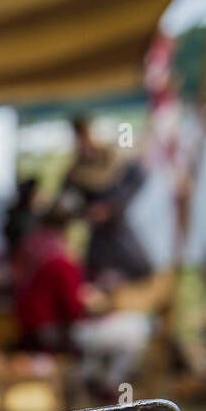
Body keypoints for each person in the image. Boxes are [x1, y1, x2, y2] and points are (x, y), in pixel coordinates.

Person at [12, 207, 152, 399]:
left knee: (124, 328)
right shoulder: (59, 259)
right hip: (56, 333)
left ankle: (95, 378)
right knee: (137, 329)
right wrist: (97, 305)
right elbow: (74, 310)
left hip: (38, 330)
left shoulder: (32, 250)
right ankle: (108, 384)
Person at [56, 113, 152, 289]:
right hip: (99, 235)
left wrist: (113, 205)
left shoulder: (115, 157)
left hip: (121, 227)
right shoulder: (76, 171)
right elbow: (65, 203)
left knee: (141, 273)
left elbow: (137, 179)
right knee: (94, 279)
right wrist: (87, 212)